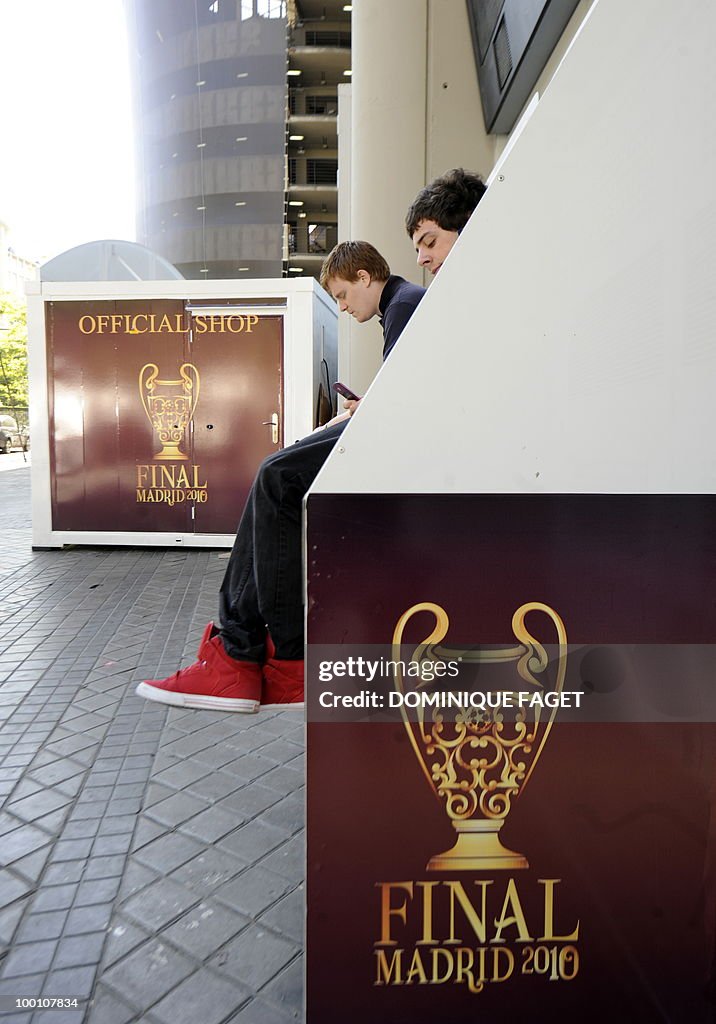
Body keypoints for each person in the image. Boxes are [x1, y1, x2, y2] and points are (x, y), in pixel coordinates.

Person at [135, 169, 486, 715]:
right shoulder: (418, 302)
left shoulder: (405, 303)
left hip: (421, 459)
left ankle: (259, 656)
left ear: (366, 277)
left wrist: (365, 414)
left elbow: (406, 411)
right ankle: (250, 654)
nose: (422, 257)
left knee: (276, 476)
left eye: (430, 242)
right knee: (278, 475)